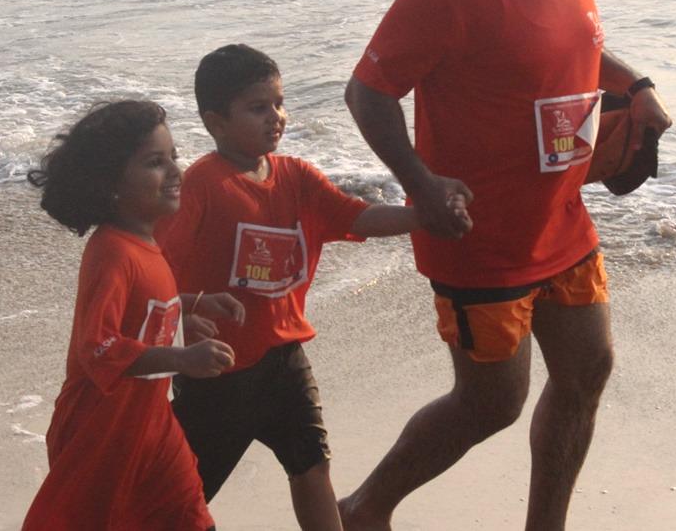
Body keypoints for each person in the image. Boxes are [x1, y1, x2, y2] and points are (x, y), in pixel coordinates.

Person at [338, 0, 673, 531]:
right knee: (491, 402)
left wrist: (636, 85)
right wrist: (422, 184)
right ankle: (364, 509)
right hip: (478, 234)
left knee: (587, 371)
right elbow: (367, 93)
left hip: (561, 218)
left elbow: (579, 47)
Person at [155, 45, 467, 531]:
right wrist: (185, 313)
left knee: (312, 464)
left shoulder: (295, 177)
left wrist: (423, 215)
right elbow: (154, 267)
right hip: (218, 373)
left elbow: (357, 217)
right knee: (183, 491)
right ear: (216, 123)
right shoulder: (202, 187)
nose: (275, 117)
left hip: (285, 360)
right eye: (257, 107)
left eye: (279, 103)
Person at [22, 100, 244, 531]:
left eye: (174, 156)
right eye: (155, 163)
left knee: (189, 516)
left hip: (151, 423)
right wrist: (181, 358)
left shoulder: (143, 241)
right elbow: (98, 348)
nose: (176, 171)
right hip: (101, 427)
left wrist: (190, 305)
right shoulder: (112, 252)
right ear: (111, 183)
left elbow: (143, 308)